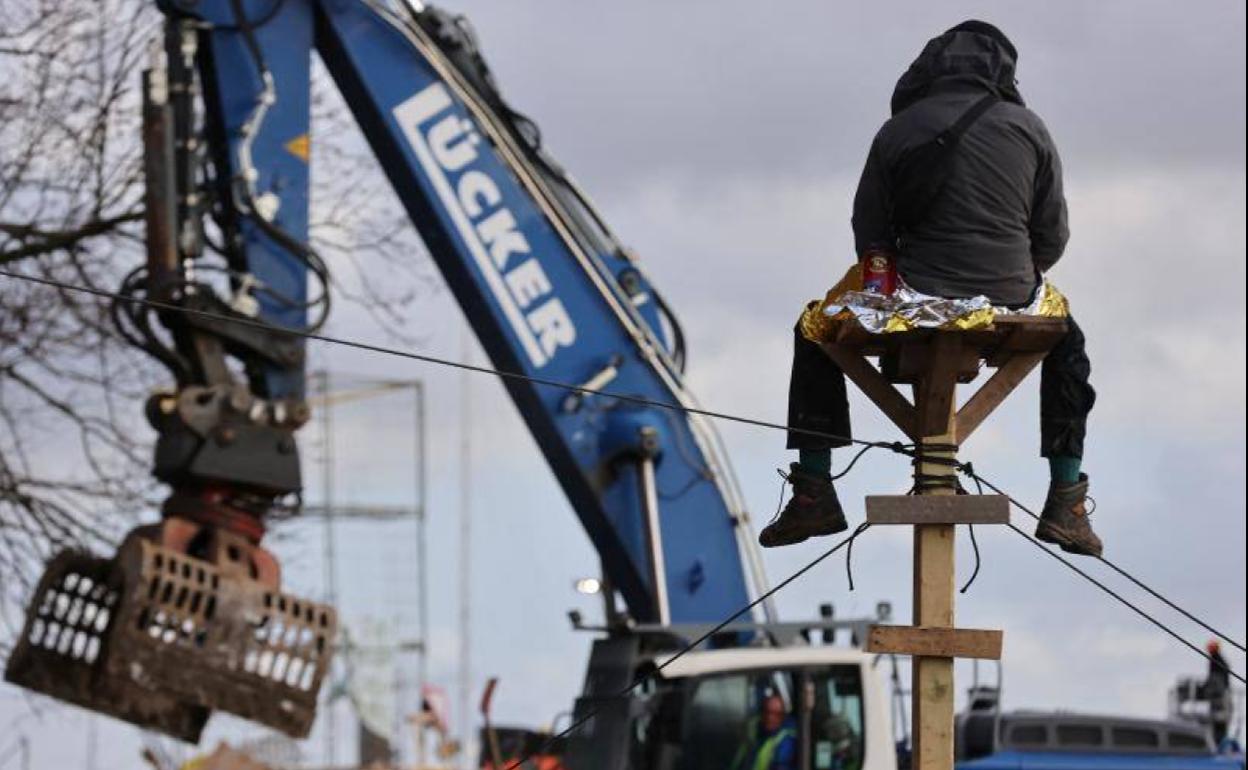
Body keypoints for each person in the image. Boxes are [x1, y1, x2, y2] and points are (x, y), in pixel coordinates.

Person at [760, 20, 1102, 557]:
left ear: (929, 71)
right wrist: (1008, 275)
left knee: (813, 327)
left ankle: (813, 491)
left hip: (919, 289)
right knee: (1067, 341)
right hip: (1012, 289)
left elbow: (871, 235)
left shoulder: (896, 130)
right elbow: (1053, 236)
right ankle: (1067, 501)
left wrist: (895, 285)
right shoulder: (1031, 128)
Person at [732, 694, 798, 770]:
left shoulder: (787, 741)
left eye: (776, 714)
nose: (770, 717)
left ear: (783, 716)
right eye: (767, 712)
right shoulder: (754, 731)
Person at [1203, 639, 1232, 746]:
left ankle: (1218, 742)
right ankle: (1219, 742)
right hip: (1222, 693)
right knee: (1219, 721)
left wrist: (1205, 687)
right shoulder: (1219, 660)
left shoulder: (1215, 660)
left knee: (1218, 720)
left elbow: (1213, 677)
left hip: (1219, 695)